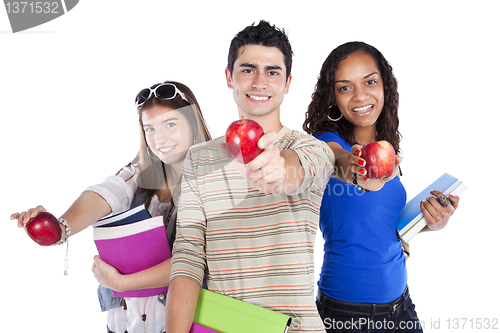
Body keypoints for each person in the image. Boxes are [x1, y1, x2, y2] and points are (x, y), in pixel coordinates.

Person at [165, 21, 335, 333]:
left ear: (287, 82)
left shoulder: (313, 149)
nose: (260, 82)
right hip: (223, 326)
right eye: (248, 69)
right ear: (229, 77)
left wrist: (277, 168)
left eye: (272, 72)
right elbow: (188, 255)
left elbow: (297, 170)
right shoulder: (199, 158)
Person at [11, 80, 211, 333]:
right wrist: (60, 227)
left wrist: (124, 283)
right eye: (149, 129)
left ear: (192, 122)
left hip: (182, 324)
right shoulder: (138, 174)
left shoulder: (216, 181)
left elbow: (198, 258)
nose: (159, 138)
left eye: (170, 124)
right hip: (126, 324)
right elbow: (104, 195)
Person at [303, 41, 460, 333]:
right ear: (333, 96)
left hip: (401, 305)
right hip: (348, 314)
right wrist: (357, 170)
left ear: (384, 85)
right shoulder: (324, 144)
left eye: (370, 82)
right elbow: (339, 161)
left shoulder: (387, 149)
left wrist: (433, 222)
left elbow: (383, 229)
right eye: (345, 87)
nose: (360, 95)